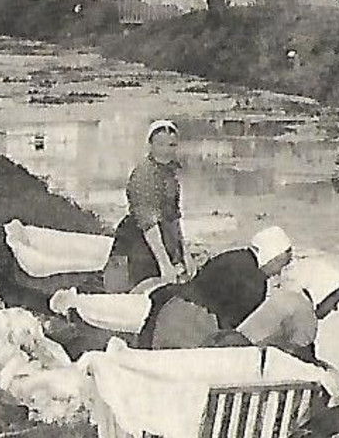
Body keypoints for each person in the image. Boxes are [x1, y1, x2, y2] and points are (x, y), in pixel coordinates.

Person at [136, 225, 295, 350]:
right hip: (193, 325)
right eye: (281, 264)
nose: (278, 272)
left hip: (170, 310)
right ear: (272, 257)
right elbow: (232, 330)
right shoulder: (255, 282)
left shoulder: (235, 256)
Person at [104, 119, 188, 293]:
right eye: (161, 144)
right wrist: (165, 264)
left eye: (172, 145)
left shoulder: (170, 173)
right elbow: (148, 225)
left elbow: (174, 218)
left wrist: (184, 254)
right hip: (138, 244)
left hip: (160, 239)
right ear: (150, 145)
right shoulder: (144, 175)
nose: (167, 150)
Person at [231, 257, 339, 362]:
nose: (334, 308)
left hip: (236, 348)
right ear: (323, 292)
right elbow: (302, 359)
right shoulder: (304, 311)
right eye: (334, 301)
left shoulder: (288, 295)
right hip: (247, 359)